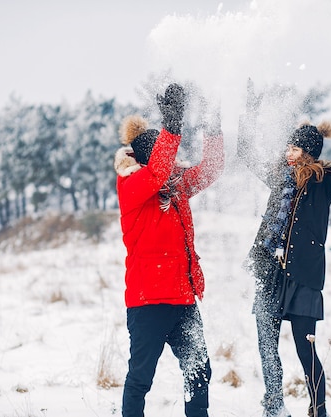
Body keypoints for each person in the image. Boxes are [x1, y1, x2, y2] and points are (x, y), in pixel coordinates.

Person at [237, 79, 331, 417]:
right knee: (266, 347)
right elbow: (244, 153)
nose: (288, 153)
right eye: (287, 147)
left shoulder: (324, 185)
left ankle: (318, 410)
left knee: (306, 350)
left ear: (309, 152)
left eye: (294, 149)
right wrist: (250, 112)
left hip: (302, 277)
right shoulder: (278, 178)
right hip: (269, 272)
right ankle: (274, 404)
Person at [114, 83, 224, 417]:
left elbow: (211, 169)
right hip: (148, 303)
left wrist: (213, 126)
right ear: (146, 160)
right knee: (140, 380)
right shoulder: (132, 187)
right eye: (166, 155)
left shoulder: (175, 185)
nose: (173, 162)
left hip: (182, 299)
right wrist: (172, 124)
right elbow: (157, 170)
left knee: (199, 371)